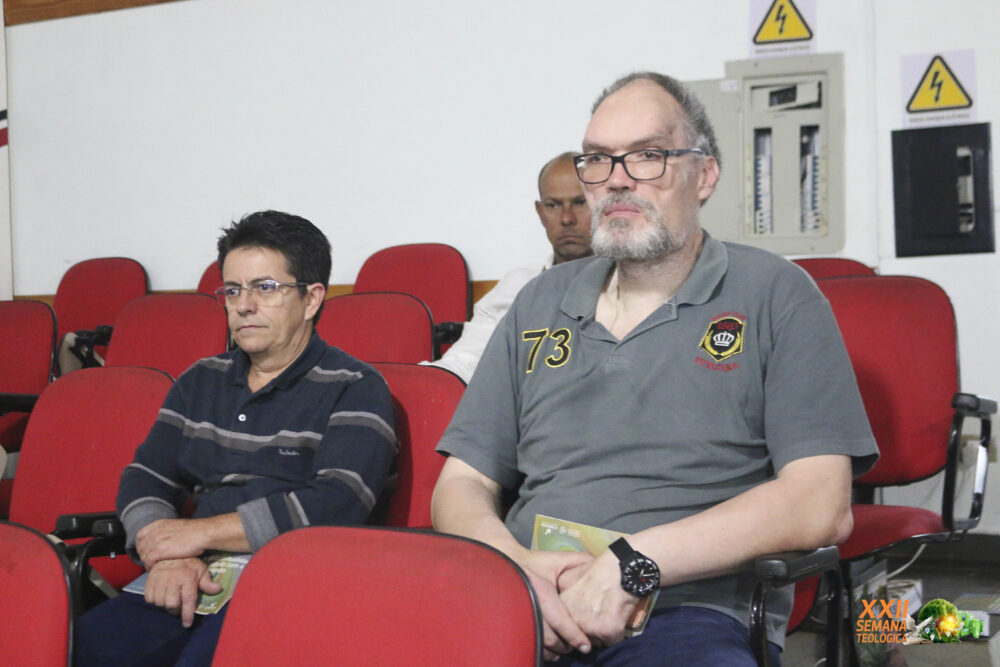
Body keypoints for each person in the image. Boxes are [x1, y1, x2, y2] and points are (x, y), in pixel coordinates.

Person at [431, 72, 878, 665]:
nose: (617, 178)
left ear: (705, 175)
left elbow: (820, 503)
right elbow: (461, 484)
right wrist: (515, 568)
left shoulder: (776, 294)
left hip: (685, 610)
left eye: (648, 155)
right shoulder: (539, 302)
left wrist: (634, 564)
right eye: (597, 159)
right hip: (523, 599)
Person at [75, 210, 397, 666]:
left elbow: (337, 503)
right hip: (184, 573)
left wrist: (198, 534)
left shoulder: (355, 386)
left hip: (293, 583)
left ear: (311, 299)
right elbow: (145, 477)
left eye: (265, 288)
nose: (243, 305)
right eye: (232, 290)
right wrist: (166, 553)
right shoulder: (200, 380)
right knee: (76, 649)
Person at [430, 152, 593, 383]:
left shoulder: (629, 285)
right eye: (553, 205)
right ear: (541, 213)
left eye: (580, 202)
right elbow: (462, 363)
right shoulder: (517, 284)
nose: (567, 218)